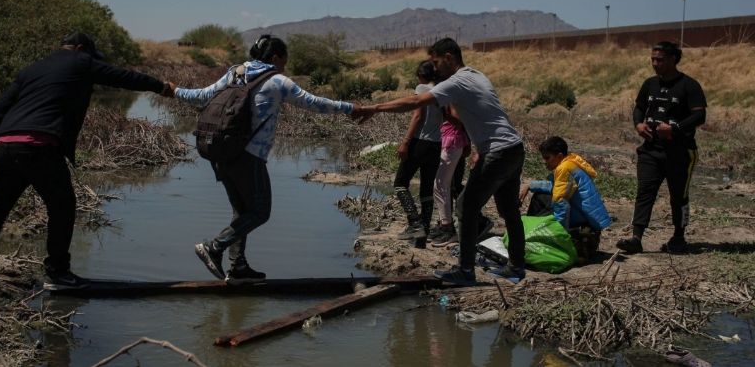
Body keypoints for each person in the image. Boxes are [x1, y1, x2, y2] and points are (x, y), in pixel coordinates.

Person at [0, 32, 174, 289]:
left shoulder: (33, 69)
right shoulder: (81, 61)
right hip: (39, 145)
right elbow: (124, 77)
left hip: (7, 144)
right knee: (62, 206)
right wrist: (161, 87)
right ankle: (58, 273)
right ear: (80, 48)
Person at [174, 35, 363, 284]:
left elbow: (202, 95)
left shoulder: (235, 72)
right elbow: (313, 103)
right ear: (275, 58)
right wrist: (350, 108)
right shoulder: (277, 81)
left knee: (242, 212)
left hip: (221, 151)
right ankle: (213, 247)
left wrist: (173, 90)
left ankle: (238, 267)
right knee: (260, 212)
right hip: (248, 157)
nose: (285, 66)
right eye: (284, 60)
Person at [356, 37, 525, 286]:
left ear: (449, 57)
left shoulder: (457, 81)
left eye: (436, 62)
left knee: (465, 208)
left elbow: (416, 102)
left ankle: (466, 271)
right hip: (513, 148)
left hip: (498, 152)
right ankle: (516, 267)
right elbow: (483, 115)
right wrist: (476, 147)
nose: (435, 68)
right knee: (509, 211)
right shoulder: (477, 75)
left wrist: (375, 108)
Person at [616, 41, 706, 255]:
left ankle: (679, 237)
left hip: (681, 152)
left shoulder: (689, 85)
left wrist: (675, 128)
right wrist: (638, 124)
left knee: (679, 196)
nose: (655, 63)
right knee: (645, 192)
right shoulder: (650, 84)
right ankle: (636, 237)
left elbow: (700, 115)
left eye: (660, 60)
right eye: (653, 59)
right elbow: (639, 108)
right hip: (650, 151)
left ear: (673, 59)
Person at [392, 61, 442, 244]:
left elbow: (418, 115)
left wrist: (405, 142)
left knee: (400, 183)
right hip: (437, 145)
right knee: (427, 189)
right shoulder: (442, 90)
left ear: (421, 75)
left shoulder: (422, 88)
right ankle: (424, 230)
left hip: (420, 141)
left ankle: (415, 223)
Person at [519, 136, 612, 231]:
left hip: (585, 217)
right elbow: (556, 186)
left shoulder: (564, 169)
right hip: (593, 216)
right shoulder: (570, 161)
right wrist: (530, 185)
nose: (545, 162)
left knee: (541, 200)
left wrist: (559, 230)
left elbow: (561, 201)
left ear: (559, 156)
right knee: (542, 196)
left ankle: (528, 230)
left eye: (547, 158)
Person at [429, 105, 470, 247]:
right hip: (451, 140)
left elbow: (458, 120)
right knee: (444, 186)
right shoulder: (452, 95)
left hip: (452, 141)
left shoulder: (449, 98)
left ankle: (448, 229)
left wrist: (443, 113)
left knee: (440, 185)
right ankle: (444, 225)